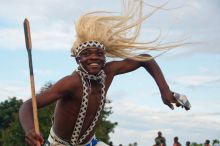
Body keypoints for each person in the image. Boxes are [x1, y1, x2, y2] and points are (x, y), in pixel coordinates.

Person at [19, 0, 188, 146]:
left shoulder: (109, 71)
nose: (93, 57)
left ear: (105, 57)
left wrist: (164, 90)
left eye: (99, 53)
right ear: (78, 60)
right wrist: (30, 131)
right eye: (86, 54)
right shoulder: (71, 83)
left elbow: (145, 58)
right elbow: (27, 106)